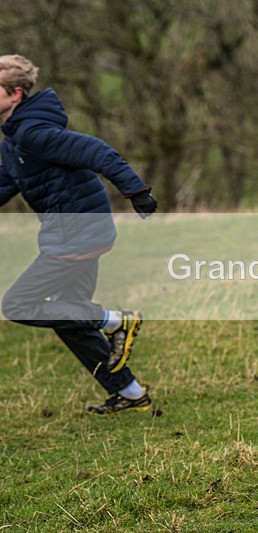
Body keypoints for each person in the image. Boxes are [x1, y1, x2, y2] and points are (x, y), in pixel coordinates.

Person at [0, 54, 158, 414]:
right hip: (69, 233)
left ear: (16, 94)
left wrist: (137, 192)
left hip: (79, 234)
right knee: (71, 318)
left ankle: (117, 321)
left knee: (18, 305)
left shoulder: (34, 134)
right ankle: (131, 393)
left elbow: (96, 151)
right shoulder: (12, 142)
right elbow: (5, 183)